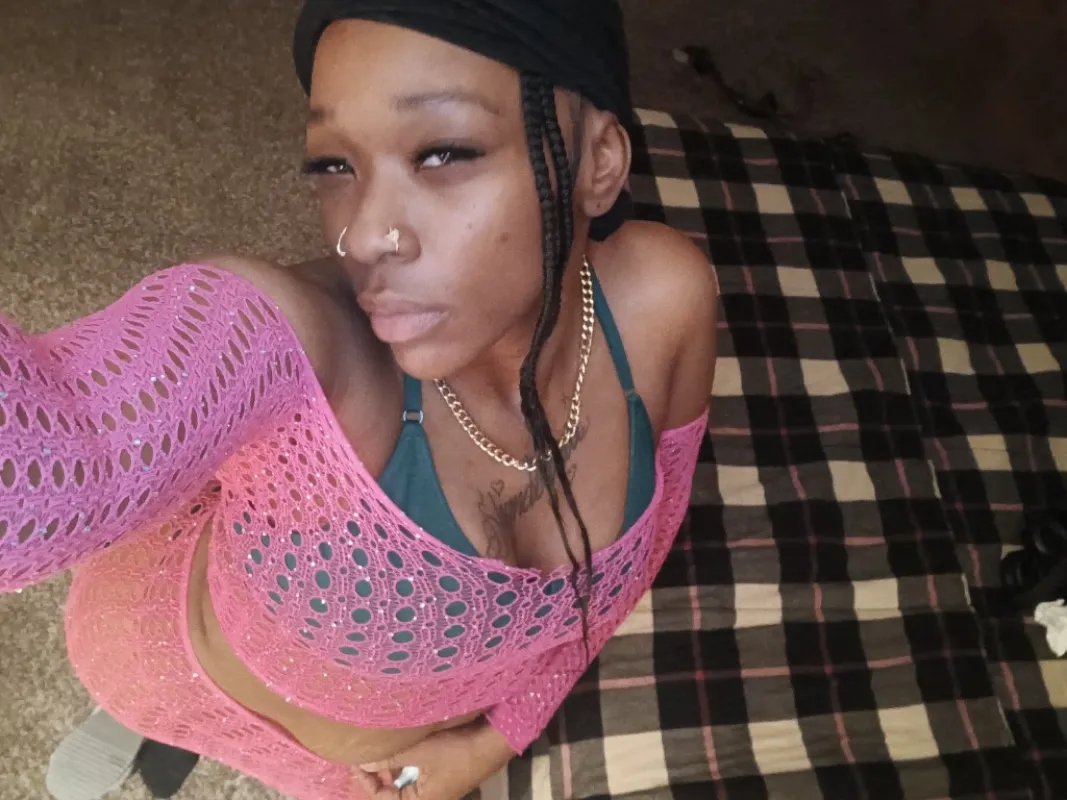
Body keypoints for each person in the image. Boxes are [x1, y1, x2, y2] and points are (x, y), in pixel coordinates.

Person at [0, 1, 718, 798]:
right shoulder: (306, 344)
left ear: (599, 163)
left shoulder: (664, 298)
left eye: (443, 153)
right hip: (166, 651)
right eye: (335, 166)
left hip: (355, 767)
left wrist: (495, 739)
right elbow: (64, 456)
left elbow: (649, 535)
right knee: (148, 694)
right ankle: (138, 720)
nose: (366, 235)